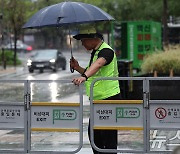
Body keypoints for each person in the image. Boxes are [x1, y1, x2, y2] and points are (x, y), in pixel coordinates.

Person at [70, 27, 121, 154]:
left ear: (93, 39)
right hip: (98, 99)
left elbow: (98, 65)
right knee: (94, 134)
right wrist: (77, 68)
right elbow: (90, 72)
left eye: (83, 41)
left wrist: (84, 76)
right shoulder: (96, 52)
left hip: (109, 98)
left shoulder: (106, 51)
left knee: (107, 135)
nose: (82, 44)